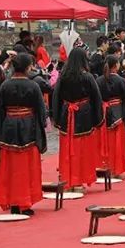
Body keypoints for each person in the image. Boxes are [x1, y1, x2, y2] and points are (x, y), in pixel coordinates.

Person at [0, 52, 47, 215]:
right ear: (28, 67)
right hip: (29, 127)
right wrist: (41, 128)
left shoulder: (5, 85)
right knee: (27, 166)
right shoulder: (33, 86)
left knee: (11, 167)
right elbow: (41, 112)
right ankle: (25, 202)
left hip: (9, 127)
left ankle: (13, 201)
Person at [52, 47, 103, 190]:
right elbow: (96, 98)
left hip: (66, 114)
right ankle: (79, 179)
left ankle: (68, 178)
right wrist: (97, 119)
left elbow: (56, 96)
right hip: (84, 114)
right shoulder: (87, 76)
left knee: (67, 147)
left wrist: (56, 117)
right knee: (82, 148)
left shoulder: (63, 76)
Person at [96, 54, 125, 177]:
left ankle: (104, 167)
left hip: (103, 112)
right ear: (116, 66)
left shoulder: (99, 80)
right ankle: (116, 169)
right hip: (117, 113)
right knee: (117, 143)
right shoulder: (121, 81)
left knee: (104, 141)